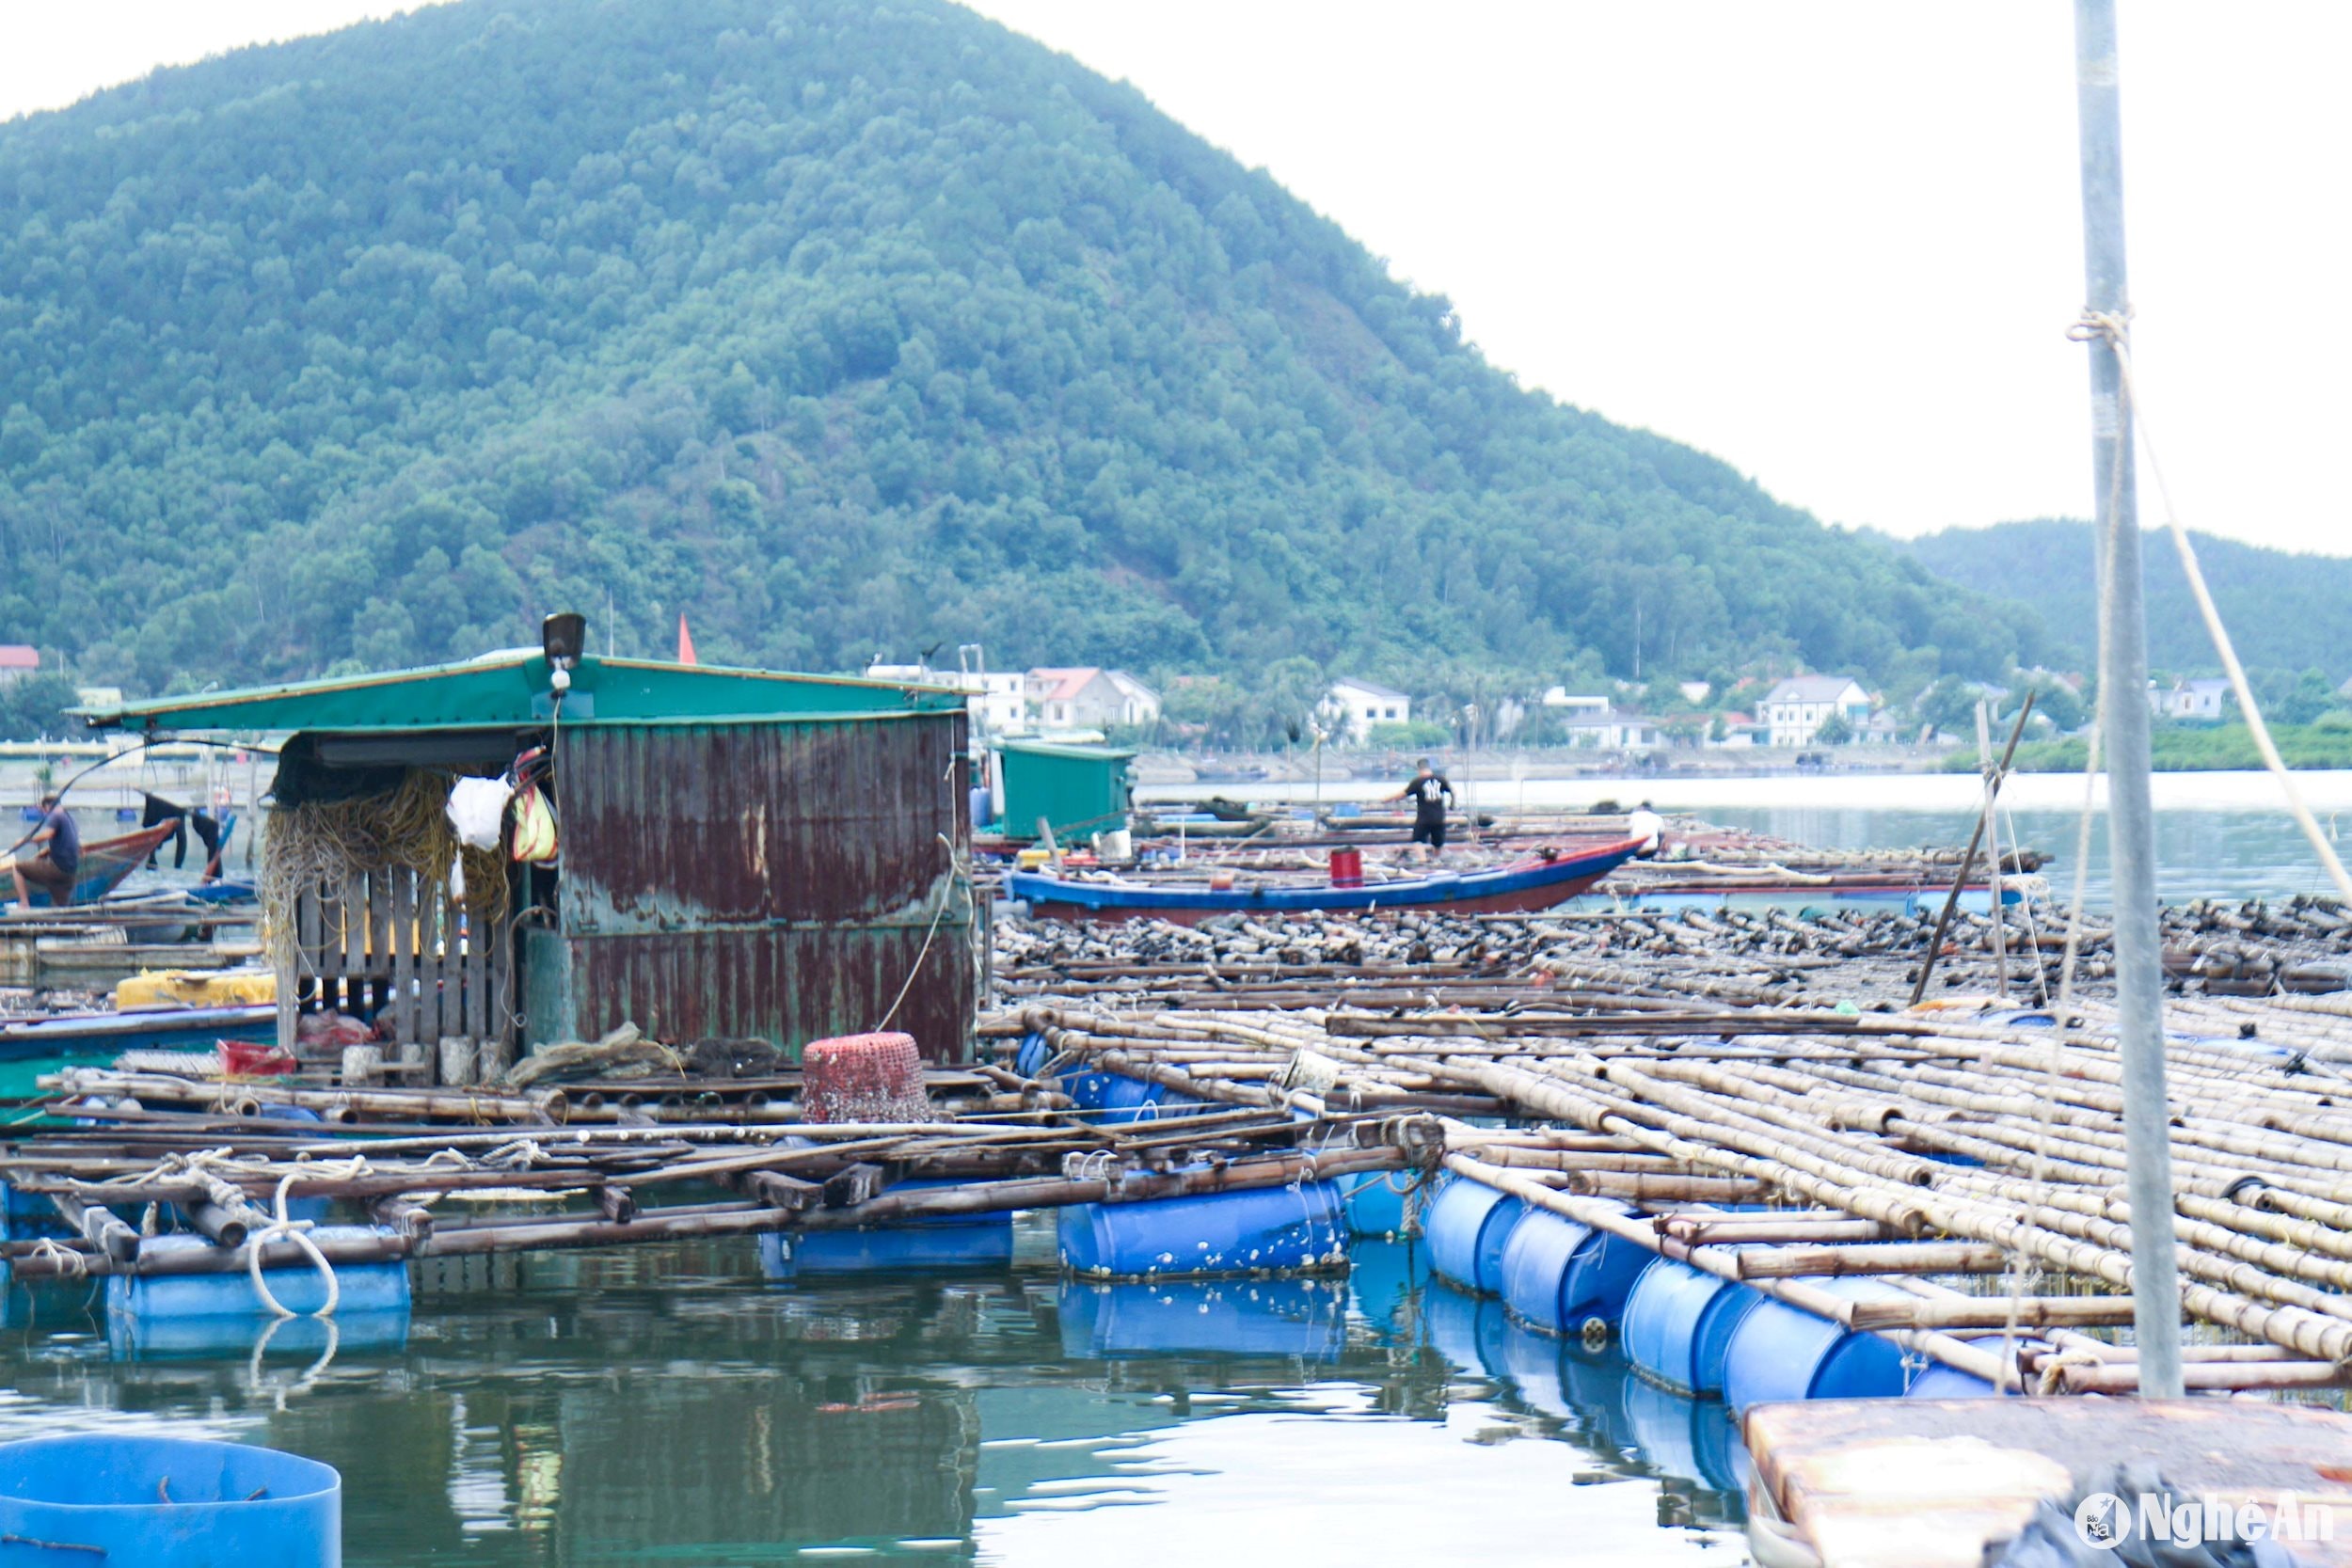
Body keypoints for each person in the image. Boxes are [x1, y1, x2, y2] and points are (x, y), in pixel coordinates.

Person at [12, 794, 80, 907]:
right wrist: (47, 851)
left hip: (57, 869)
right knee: (60, 910)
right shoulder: (69, 818)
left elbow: (47, 835)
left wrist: (24, 840)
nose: (45, 814)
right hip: (70, 873)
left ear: (47, 807)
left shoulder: (56, 815)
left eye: (44, 811)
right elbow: (67, 842)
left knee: (17, 868)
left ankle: (24, 904)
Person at [1388, 758, 1455, 852]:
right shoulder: (1441, 779)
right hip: (1439, 817)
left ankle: (1422, 860)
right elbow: (1452, 792)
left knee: (1417, 840)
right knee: (1438, 843)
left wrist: (1386, 799)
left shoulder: (1418, 782)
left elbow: (1402, 794)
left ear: (1419, 770)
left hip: (1424, 818)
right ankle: (1436, 859)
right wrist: (1452, 805)